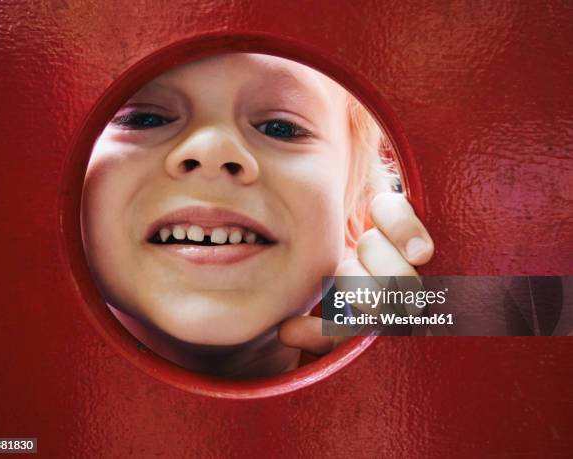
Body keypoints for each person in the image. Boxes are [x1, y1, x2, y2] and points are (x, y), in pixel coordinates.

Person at [81, 53, 434, 378]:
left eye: (280, 128)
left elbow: (487, 309)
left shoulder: (376, 316)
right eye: (146, 118)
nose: (212, 151)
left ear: (358, 211)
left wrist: (423, 333)